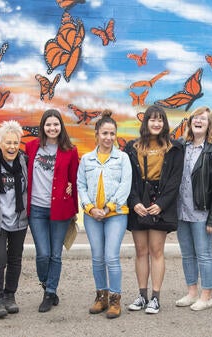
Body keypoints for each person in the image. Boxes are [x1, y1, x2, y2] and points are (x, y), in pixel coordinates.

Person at [124, 105, 183, 314]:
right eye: (152, 120)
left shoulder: (174, 148)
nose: (156, 124)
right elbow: (127, 178)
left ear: (164, 123)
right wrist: (134, 202)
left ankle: (155, 298)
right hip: (139, 201)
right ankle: (142, 295)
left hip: (160, 204)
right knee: (141, 251)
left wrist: (162, 204)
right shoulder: (132, 147)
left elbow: (175, 180)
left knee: (156, 250)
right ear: (146, 122)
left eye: (160, 120)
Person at [77, 110, 132, 319]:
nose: (108, 138)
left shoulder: (122, 158)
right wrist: (90, 208)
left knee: (111, 256)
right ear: (97, 134)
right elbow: (81, 185)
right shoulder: (87, 159)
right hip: (92, 216)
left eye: (112, 134)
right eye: (104, 133)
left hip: (115, 214)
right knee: (98, 258)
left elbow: (125, 185)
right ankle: (101, 296)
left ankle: (115, 300)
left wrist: (108, 207)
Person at [25, 109, 78, 313]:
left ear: (61, 127)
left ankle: (49, 292)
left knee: (55, 255)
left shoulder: (70, 151)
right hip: (36, 209)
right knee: (42, 254)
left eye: (56, 124)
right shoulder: (31, 147)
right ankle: (47, 285)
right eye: (48, 125)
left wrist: (73, 206)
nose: (52, 128)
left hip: (60, 210)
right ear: (43, 127)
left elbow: (74, 179)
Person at [174, 107, 212, 312]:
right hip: (181, 211)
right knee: (187, 254)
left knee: (204, 254)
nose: (199, 121)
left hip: (202, 213)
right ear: (190, 122)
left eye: (203, 119)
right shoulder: (179, 145)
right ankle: (192, 293)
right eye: (195, 117)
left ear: (209, 124)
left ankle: (207, 296)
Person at [0, 120, 28, 318]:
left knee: (15, 259)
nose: (12, 147)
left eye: (15, 143)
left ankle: (10, 295)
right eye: (8, 143)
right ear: (0, 144)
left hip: (19, 219)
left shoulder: (24, 162)